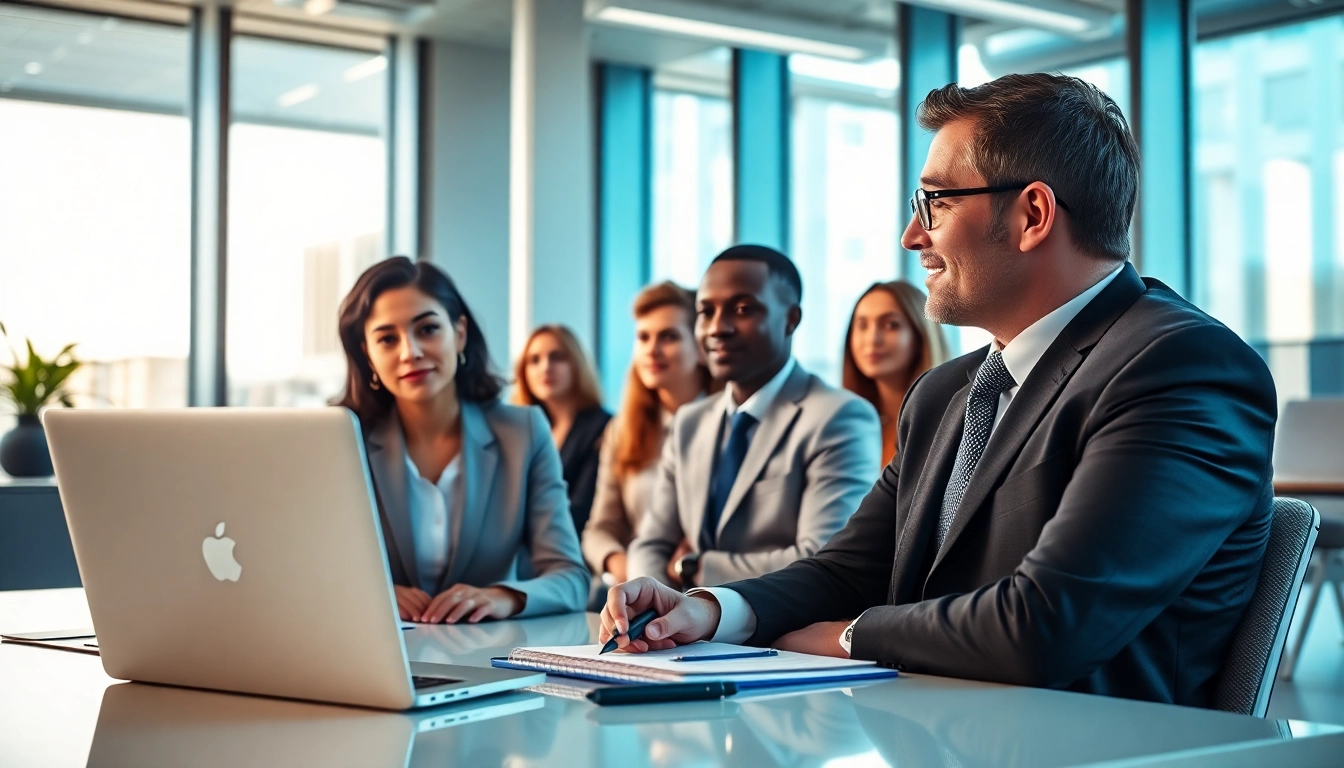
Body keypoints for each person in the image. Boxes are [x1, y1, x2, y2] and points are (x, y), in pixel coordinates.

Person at [602, 74, 1278, 709]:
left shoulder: (1181, 365)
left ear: (1033, 214)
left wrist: (848, 637)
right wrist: (712, 610)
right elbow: (849, 568)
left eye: (935, 201)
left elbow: (1047, 624)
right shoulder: (947, 392)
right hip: (930, 724)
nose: (911, 235)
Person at [336, 257, 587, 623]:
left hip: (486, 655)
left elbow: (571, 578)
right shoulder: (343, 442)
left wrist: (502, 598)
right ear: (368, 356)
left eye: (427, 329)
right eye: (388, 339)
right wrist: (373, 594)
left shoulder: (523, 432)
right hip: (373, 654)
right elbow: (308, 571)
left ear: (460, 333)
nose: (411, 352)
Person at [626, 245, 881, 589]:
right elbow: (651, 543)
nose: (717, 328)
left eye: (743, 309)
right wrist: (648, 597)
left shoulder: (838, 417)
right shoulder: (690, 422)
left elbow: (822, 558)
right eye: (706, 311)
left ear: (791, 319)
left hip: (782, 633)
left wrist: (696, 567)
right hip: (686, 634)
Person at [582, 282, 712, 586]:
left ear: (701, 346)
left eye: (669, 336)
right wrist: (633, 571)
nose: (652, 350)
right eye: (643, 337)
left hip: (713, 590)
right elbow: (599, 530)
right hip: (639, 586)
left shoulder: (732, 423)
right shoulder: (622, 429)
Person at [512, 325, 612, 535]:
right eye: (534, 360)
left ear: (577, 365)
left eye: (557, 357)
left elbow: (581, 510)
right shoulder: (522, 431)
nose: (545, 367)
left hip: (570, 548)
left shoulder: (603, 427)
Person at [842, 281, 950, 467]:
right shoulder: (843, 422)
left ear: (920, 335)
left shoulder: (948, 421)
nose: (872, 339)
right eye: (862, 325)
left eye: (891, 325)